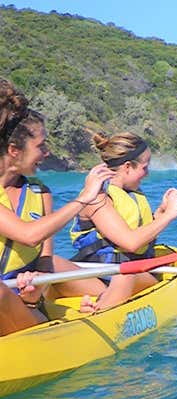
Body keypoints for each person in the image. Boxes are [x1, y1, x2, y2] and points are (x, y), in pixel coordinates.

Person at [0, 77, 115, 335]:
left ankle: (100, 309)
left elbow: (44, 261)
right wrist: (83, 198)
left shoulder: (40, 193)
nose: (47, 153)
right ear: (14, 150)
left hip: (26, 308)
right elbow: (29, 236)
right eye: (40, 146)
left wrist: (32, 292)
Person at [70, 132, 177, 312]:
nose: (147, 174)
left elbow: (136, 235)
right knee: (51, 262)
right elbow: (131, 242)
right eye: (144, 168)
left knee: (124, 275)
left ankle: (100, 306)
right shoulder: (97, 197)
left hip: (133, 275)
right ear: (127, 167)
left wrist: (159, 214)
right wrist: (169, 215)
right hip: (98, 275)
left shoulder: (130, 193)